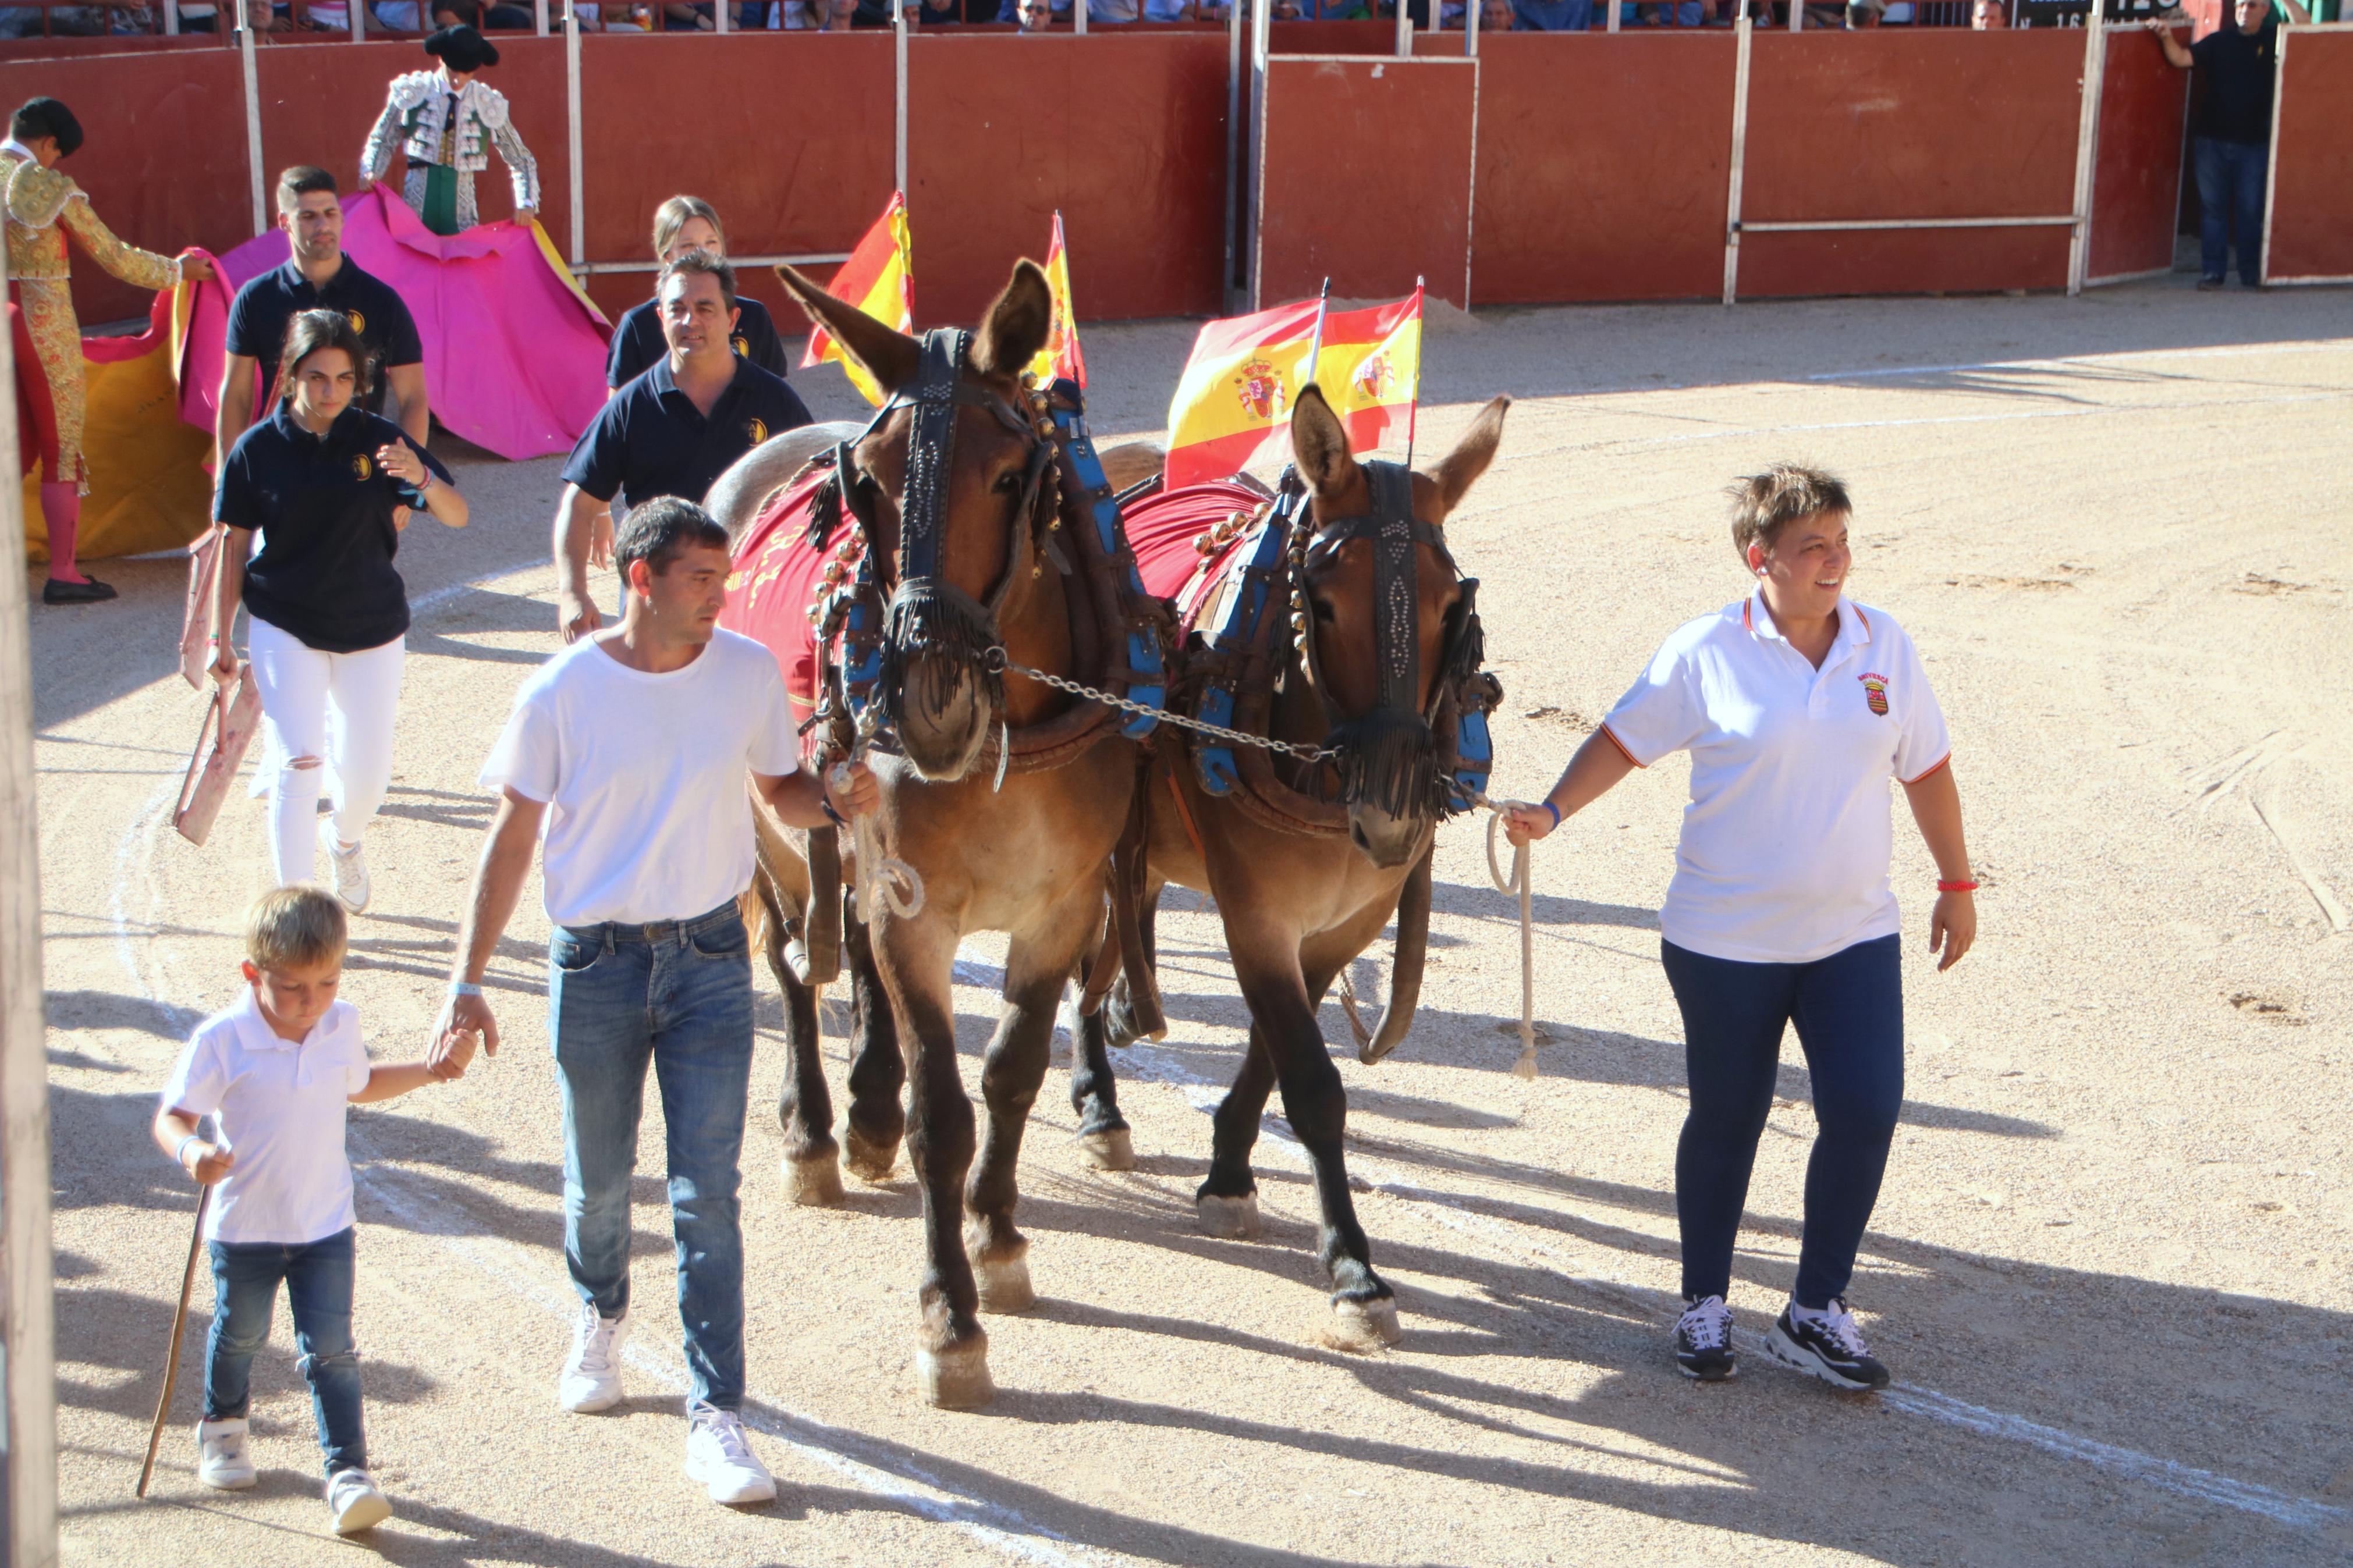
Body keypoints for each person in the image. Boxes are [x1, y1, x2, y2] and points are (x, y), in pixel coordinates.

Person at [428, 498, 876, 1507]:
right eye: (701, 580)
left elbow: (783, 794)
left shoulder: (747, 675)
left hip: (714, 959)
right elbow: (510, 843)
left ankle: (718, 1415)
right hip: (594, 964)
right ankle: (599, 1316)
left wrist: (838, 795)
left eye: (723, 579)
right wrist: (466, 981)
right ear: (641, 580)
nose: (722, 597)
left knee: (705, 1194)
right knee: (596, 1181)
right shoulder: (561, 693)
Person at [1505, 464, 1977, 1392]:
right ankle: (1702, 1303)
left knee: (1865, 1107)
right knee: (1729, 1114)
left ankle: (1813, 1308)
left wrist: (1954, 879)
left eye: (1841, 542)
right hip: (1722, 939)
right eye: (1812, 548)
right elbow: (1620, 740)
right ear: (1759, 557)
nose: (1834, 561)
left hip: (1851, 933)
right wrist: (1553, 812)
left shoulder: (1886, 647)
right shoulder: (1702, 651)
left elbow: (1924, 767)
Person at [153, 886, 462, 1535]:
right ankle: (224, 1426)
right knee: (241, 1332)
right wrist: (191, 1152)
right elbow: (173, 1115)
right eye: (293, 986)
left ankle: (348, 1472)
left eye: (326, 982)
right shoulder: (223, 1038)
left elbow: (361, 1084)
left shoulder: (340, 1023)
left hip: (325, 1224)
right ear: (252, 973)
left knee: (332, 1349)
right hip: (245, 1226)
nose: (311, 1001)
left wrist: (431, 1071)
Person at [209, 310, 468, 909]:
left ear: (359, 382)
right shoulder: (256, 451)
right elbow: (234, 546)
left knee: (367, 778)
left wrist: (422, 476)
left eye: (345, 379)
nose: (331, 391)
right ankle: (294, 908)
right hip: (284, 622)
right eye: (318, 377)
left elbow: (458, 515)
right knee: (299, 760)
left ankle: (344, 840)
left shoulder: (379, 441)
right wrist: (222, 638)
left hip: (371, 626)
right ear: (290, 376)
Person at [3, 97, 215, 605]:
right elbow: (114, 256)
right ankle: (64, 574)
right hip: (39, 324)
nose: (55, 165)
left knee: (16, 449)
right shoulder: (44, 185)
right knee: (58, 449)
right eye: (57, 155)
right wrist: (177, 272)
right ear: (49, 144)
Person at [553, 251, 812, 642]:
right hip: (655, 603)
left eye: (706, 308)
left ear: (733, 318)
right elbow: (579, 503)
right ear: (661, 318)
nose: (690, 321)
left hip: (748, 600)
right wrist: (573, 593)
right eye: (677, 309)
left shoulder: (774, 401)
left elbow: (819, 490)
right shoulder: (631, 405)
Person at [220, 166, 430, 462]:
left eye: (330, 213)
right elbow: (236, 396)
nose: (323, 226)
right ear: (284, 222)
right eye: (308, 217)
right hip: (280, 469)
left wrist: (405, 482)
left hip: (360, 473)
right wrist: (227, 481)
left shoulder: (381, 301)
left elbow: (413, 399)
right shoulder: (256, 298)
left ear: (342, 218)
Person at [2149, 0, 2309, 291]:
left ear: (2264, 11)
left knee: (2250, 210)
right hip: (2212, 140)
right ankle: (2213, 273)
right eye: (2240, 5)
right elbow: (2182, 59)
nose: (2244, 10)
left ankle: (2250, 274)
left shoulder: (2273, 38)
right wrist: (2165, 36)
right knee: (2213, 210)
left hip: (2253, 144)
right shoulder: (2219, 41)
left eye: (2253, 6)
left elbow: (2306, 28)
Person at [359, 25, 540, 238]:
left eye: (467, 73)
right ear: (441, 60)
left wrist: (527, 201)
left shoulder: (487, 104)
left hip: (461, 217)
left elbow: (520, 158)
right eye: (454, 70)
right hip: (415, 211)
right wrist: (370, 170)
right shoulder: (414, 92)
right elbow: (382, 139)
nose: (458, 79)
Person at [605, 197, 792, 393]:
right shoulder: (637, 324)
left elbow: (778, 399)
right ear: (667, 256)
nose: (702, 252)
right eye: (688, 246)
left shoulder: (754, 316)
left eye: (711, 242)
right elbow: (620, 411)